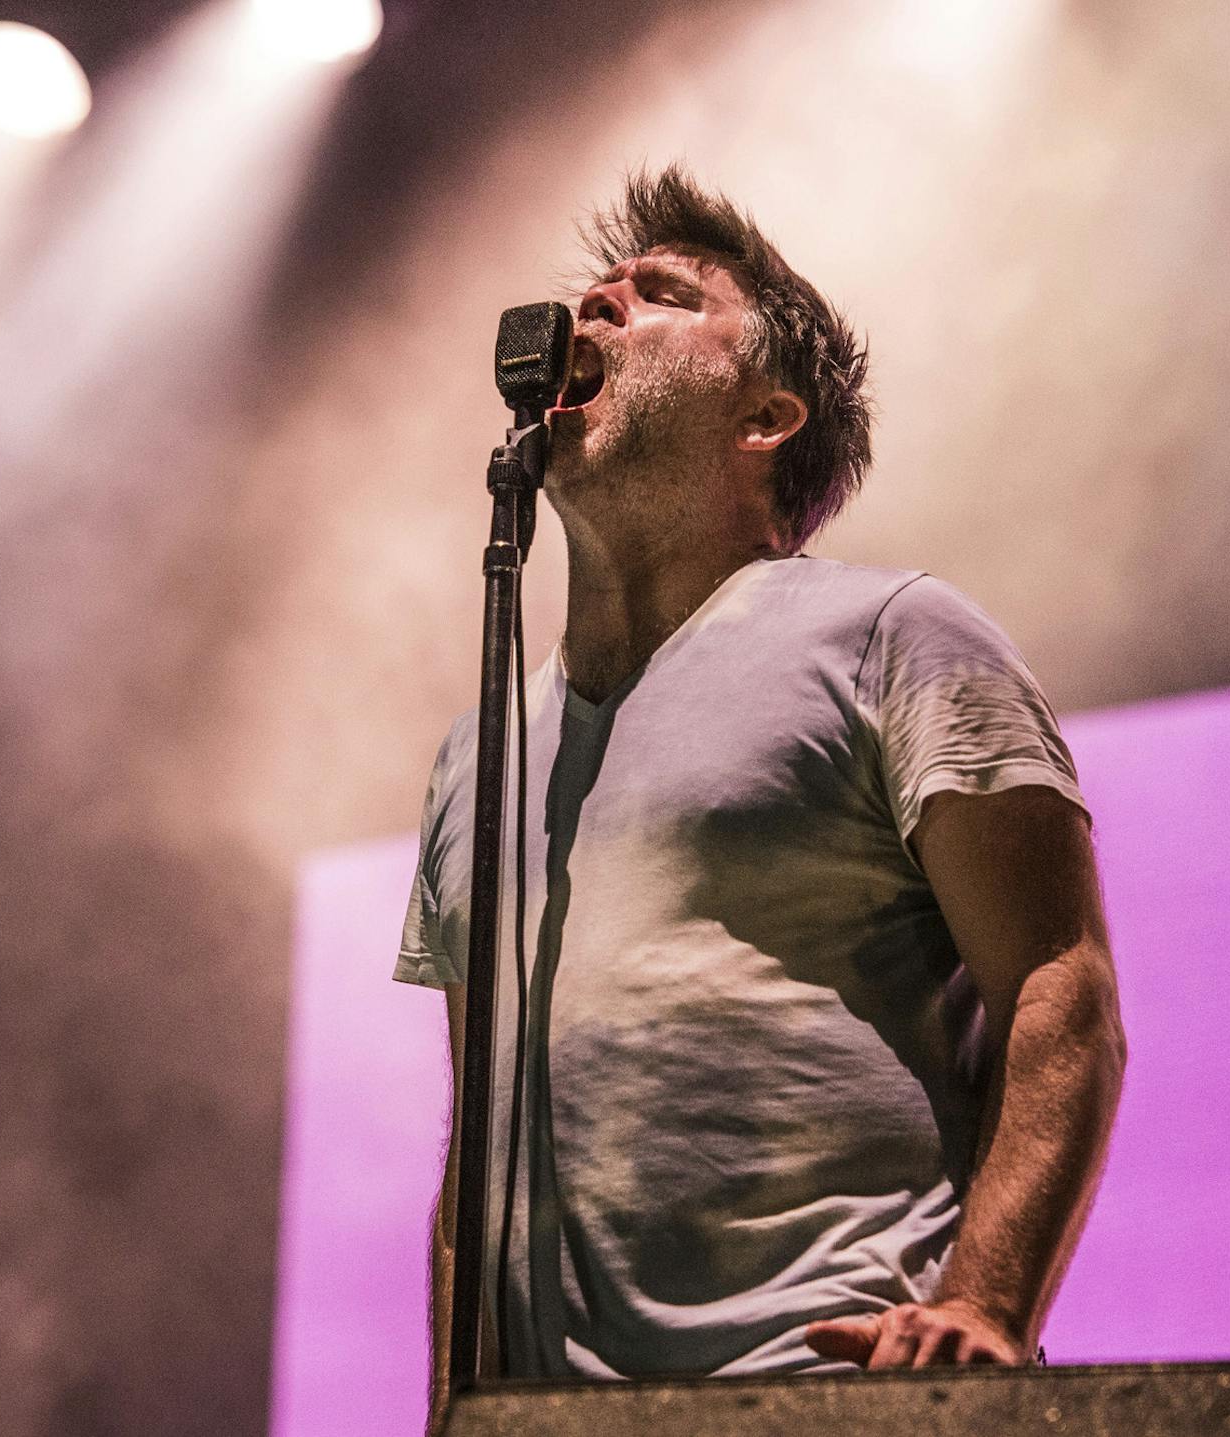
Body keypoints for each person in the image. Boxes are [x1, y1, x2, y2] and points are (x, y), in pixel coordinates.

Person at [395, 166, 1126, 1427]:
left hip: (828, 1387)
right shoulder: (477, 754)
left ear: (768, 414)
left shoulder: (892, 635)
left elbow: (1062, 987)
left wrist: (988, 1307)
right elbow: (479, 1139)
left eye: (660, 296)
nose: (595, 309)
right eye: (596, 291)